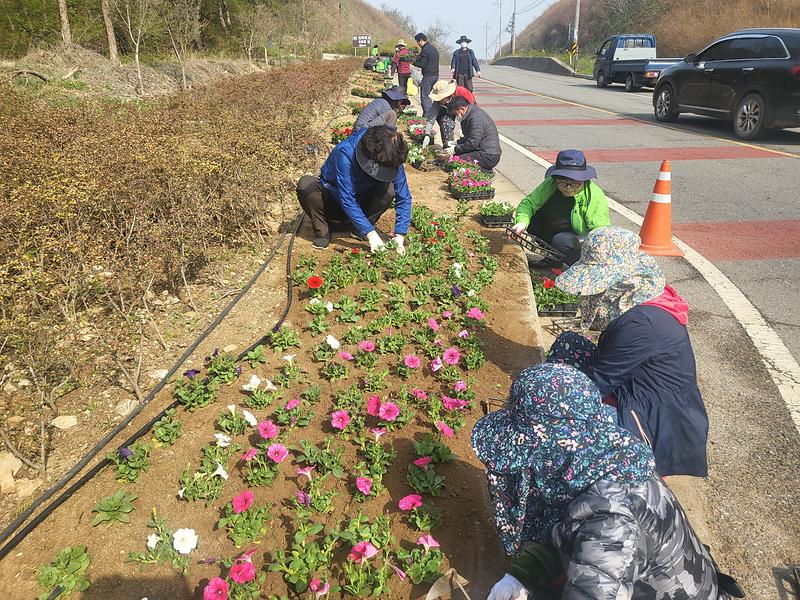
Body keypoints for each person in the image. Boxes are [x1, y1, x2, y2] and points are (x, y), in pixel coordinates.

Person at [473, 362, 741, 600]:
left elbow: (599, 582)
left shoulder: (611, 524)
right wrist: (523, 574)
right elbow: (564, 527)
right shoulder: (600, 458)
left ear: (552, 451)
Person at [546, 226, 710, 478]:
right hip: (634, 386)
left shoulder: (640, 323)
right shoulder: (638, 298)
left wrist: (550, 409)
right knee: (569, 343)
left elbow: (599, 384)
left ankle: (633, 463)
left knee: (572, 424)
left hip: (654, 418)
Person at [295, 125, 411, 253]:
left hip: (362, 204)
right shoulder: (345, 153)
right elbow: (347, 198)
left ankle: (359, 229)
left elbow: (403, 195)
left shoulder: (392, 155)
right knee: (306, 185)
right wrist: (371, 234)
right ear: (372, 156)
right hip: (333, 202)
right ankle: (323, 231)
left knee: (389, 189)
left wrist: (400, 234)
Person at [511, 149, 610, 266]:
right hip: (554, 227)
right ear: (556, 178)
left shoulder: (594, 195)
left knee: (560, 240)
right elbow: (528, 204)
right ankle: (552, 260)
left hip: (578, 240)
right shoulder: (550, 184)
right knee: (532, 220)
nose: (568, 188)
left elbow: (601, 230)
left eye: (574, 183)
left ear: (583, 180)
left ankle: (578, 266)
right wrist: (522, 222)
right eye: (563, 182)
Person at [447, 96, 502, 171]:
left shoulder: (476, 118)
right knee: (455, 157)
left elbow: (473, 143)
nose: (456, 117)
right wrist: (456, 143)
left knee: (456, 161)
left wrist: (455, 149)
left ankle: (485, 171)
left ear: (462, 109)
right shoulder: (471, 114)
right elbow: (470, 137)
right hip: (481, 150)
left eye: (456, 114)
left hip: (488, 155)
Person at [425, 79, 476, 147]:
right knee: (446, 123)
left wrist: (464, 124)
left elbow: (473, 109)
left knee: (467, 134)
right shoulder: (438, 102)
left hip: (465, 113)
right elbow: (431, 118)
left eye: (441, 98)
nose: (439, 101)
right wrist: (427, 134)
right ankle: (448, 147)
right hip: (448, 112)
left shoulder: (461, 91)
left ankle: (464, 148)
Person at [412, 32, 440, 120]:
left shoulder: (425, 50)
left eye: (417, 42)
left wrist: (413, 62)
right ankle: (429, 113)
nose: (418, 44)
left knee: (424, 96)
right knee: (428, 95)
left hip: (428, 75)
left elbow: (422, 64)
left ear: (421, 41)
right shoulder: (433, 48)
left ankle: (428, 115)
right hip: (435, 75)